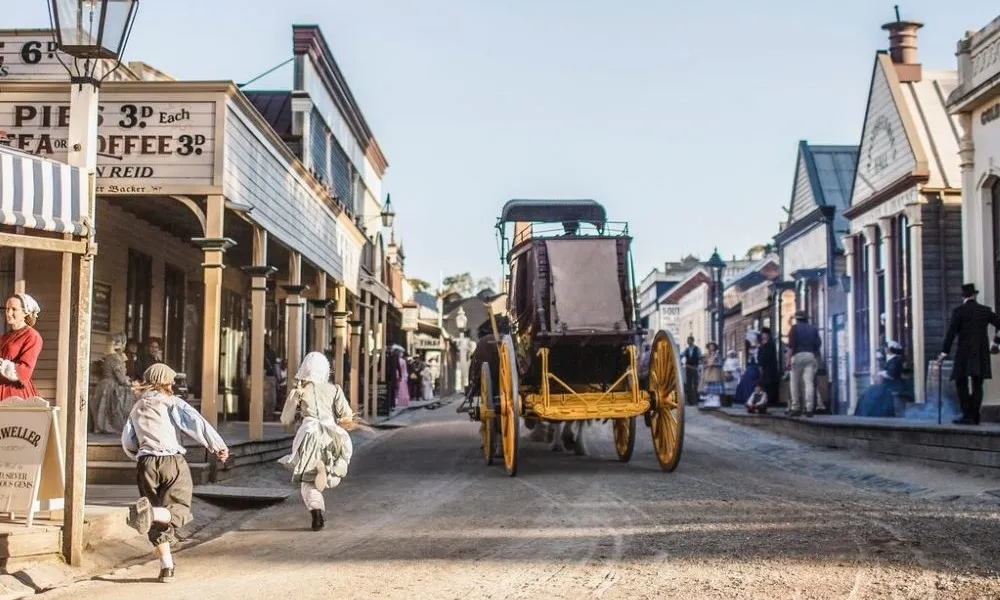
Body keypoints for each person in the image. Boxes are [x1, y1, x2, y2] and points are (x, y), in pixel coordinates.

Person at [122, 364, 229, 584]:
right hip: (172, 461)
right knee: (179, 507)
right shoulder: (172, 403)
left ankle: (167, 568)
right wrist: (217, 446)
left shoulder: (136, 407)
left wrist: (139, 456)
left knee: (156, 514)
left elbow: (127, 440)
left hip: (145, 463)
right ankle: (151, 514)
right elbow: (196, 424)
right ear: (167, 383)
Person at [279, 352, 361, 531]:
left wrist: (297, 406)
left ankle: (316, 513)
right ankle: (330, 472)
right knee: (341, 458)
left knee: (307, 480)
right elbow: (346, 415)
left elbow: (286, 419)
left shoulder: (299, 392)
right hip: (331, 434)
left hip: (309, 435)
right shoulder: (335, 389)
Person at [938, 283, 1000, 425]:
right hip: (980, 352)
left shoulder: (959, 312)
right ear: (974, 295)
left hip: (964, 352)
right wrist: (996, 342)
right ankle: (975, 414)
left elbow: (951, 333)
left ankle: (967, 414)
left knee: (961, 382)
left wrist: (944, 352)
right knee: (978, 384)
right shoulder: (985, 311)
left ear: (963, 297)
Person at [0, 293, 43, 402]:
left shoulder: (32, 336)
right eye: (7, 309)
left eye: (14, 309)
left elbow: (25, 372)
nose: (9, 313)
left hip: (14, 392)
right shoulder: (5, 337)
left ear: (25, 312)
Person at [93, 332, 135, 434]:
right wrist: (130, 383)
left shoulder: (109, 356)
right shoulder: (115, 358)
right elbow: (121, 379)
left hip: (103, 385)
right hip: (111, 386)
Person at [856, 341, 910, 417]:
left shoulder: (897, 359)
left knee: (872, 392)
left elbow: (891, 374)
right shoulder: (891, 359)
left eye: (887, 348)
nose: (886, 349)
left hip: (894, 385)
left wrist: (880, 374)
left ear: (890, 349)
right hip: (887, 385)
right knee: (869, 392)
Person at [786, 311, 822, 417]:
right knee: (809, 383)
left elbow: (791, 346)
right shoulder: (813, 329)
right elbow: (818, 344)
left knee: (794, 382)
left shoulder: (794, 328)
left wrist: (788, 360)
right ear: (806, 319)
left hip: (797, 356)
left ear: (797, 319)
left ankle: (795, 407)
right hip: (810, 356)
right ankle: (809, 408)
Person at [734, 330, 761, 406]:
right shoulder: (751, 348)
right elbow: (750, 359)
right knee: (746, 380)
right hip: (751, 367)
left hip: (755, 367)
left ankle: (750, 398)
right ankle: (747, 398)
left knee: (749, 380)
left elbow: (756, 359)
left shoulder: (758, 348)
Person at [757, 328, 781, 408]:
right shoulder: (761, 344)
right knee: (765, 383)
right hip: (763, 366)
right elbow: (760, 355)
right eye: (763, 334)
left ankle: (771, 400)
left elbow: (767, 356)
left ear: (768, 335)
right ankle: (765, 399)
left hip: (770, 366)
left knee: (770, 383)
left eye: (765, 334)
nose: (763, 336)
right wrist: (760, 364)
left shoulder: (770, 343)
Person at [699, 342, 725, 408]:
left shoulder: (717, 355)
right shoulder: (706, 355)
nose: (711, 348)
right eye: (710, 346)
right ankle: (709, 402)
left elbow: (721, 363)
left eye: (712, 346)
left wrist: (714, 364)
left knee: (715, 389)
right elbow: (703, 362)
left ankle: (716, 402)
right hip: (708, 373)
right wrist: (705, 364)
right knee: (708, 389)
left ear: (715, 347)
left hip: (715, 373)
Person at [680, 336, 702, 406]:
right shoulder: (686, 350)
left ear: (693, 341)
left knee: (695, 384)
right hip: (688, 368)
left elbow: (700, 357)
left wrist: (699, 366)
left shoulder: (697, 349)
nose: (688, 342)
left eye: (689, 340)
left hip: (695, 368)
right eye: (687, 340)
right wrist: (681, 362)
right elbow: (680, 356)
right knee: (689, 384)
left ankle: (696, 400)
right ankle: (690, 401)